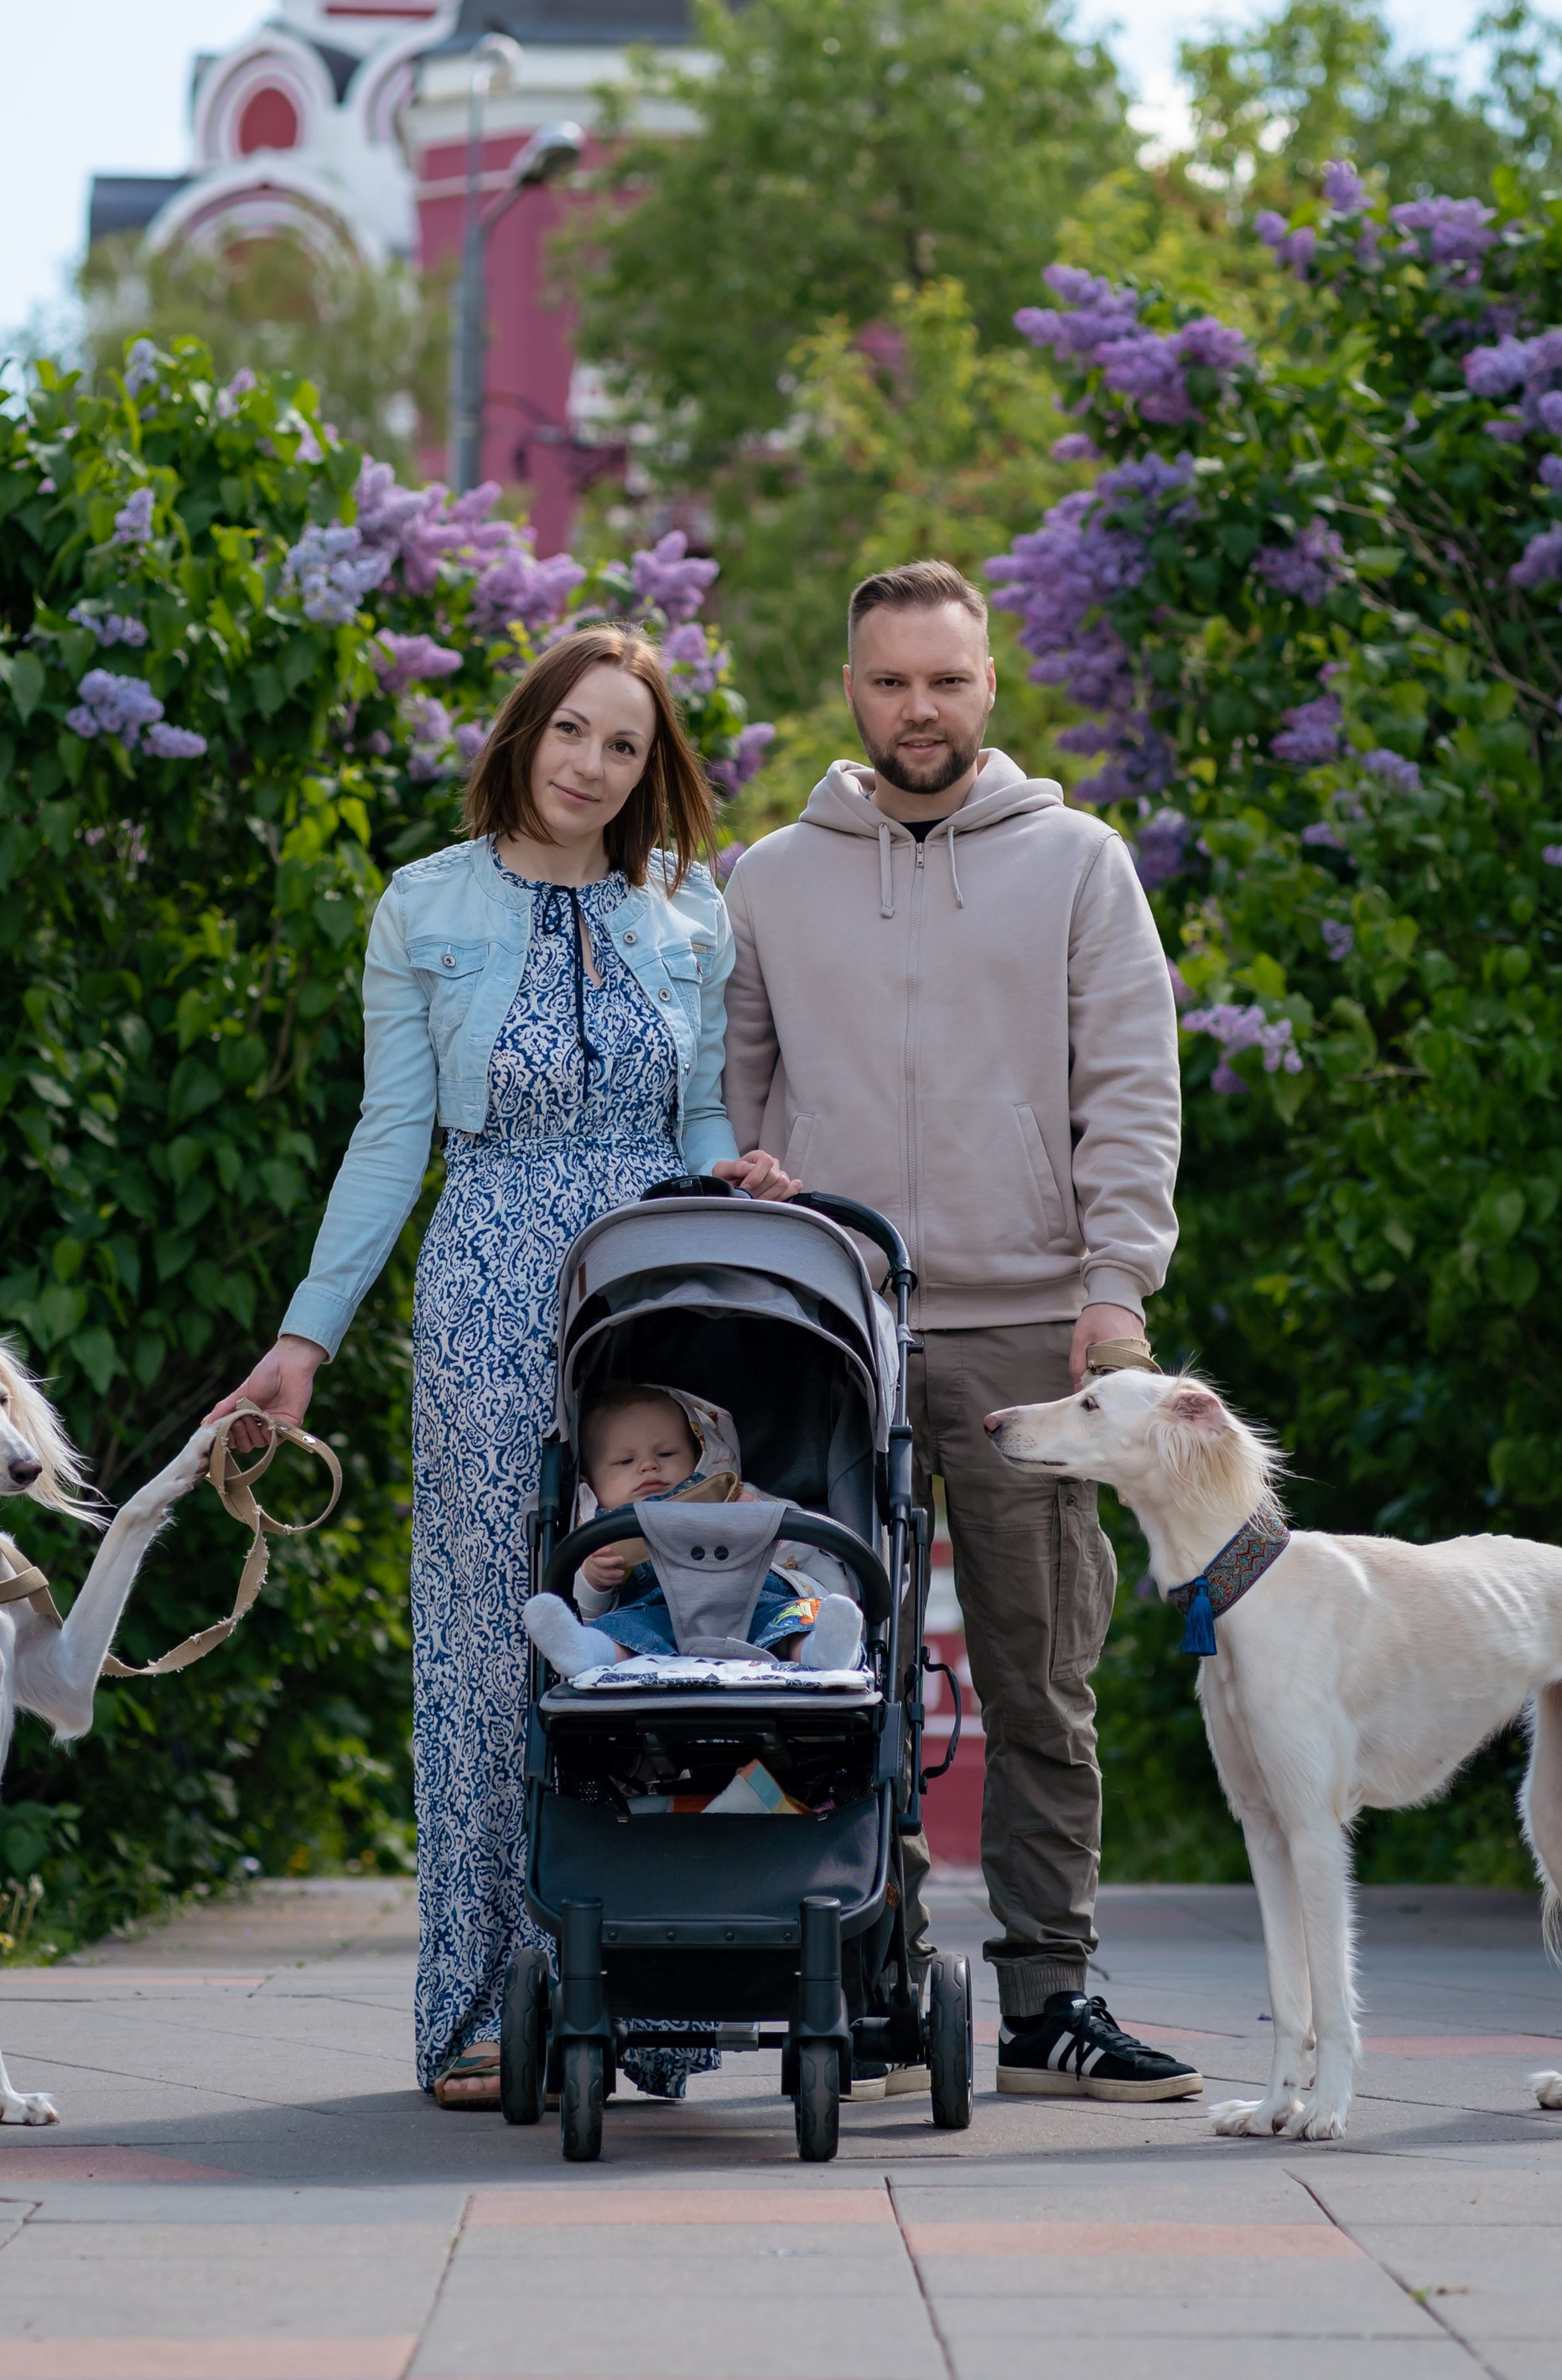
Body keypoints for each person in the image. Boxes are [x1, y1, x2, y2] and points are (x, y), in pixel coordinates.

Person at [208, 625, 791, 2109]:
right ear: (524, 733)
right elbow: (389, 1137)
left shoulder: (689, 907)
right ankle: (481, 2008)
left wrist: (738, 1173)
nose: (592, 765)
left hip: (651, 1294)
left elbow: (701, 1117)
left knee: (658, 1610)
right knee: (484, 1644)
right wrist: (303, 1338)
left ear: (651, 769)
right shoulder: (425, 905)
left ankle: (646, 1993)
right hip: (486, 1285)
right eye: (572, 731)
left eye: (625, 745)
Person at [720, 559, 1203, 2103]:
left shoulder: (1079, 862)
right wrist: (751, 1196)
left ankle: (1052, 2000)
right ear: (849, 692)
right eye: (889, 682)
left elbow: (1130, 1083)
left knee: (1042, 1674)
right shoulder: (769, 879)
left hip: (1034, 1332)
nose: (917, 708)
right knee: (827, 1675)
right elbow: (730, 1092)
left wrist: (1116, 1284)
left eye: (944, 679)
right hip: (833, 1327)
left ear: (989, 683)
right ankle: (867, 1986)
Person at [522, 1382, 866, 1676]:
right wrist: (593, 1581)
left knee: (790, 1618)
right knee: (619, 1629)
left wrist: (763, 1526)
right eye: (626, 1461)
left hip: (753, 1603)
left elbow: (805, 1546)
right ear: (592, 1482)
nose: (648, 1465)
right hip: (658, 1619)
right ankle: (586, 1652)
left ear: (698, 1455)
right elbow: (587, 1608)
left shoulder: (730, 1497)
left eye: (667, 1453)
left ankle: (822, 1651)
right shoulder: (601, 1530)